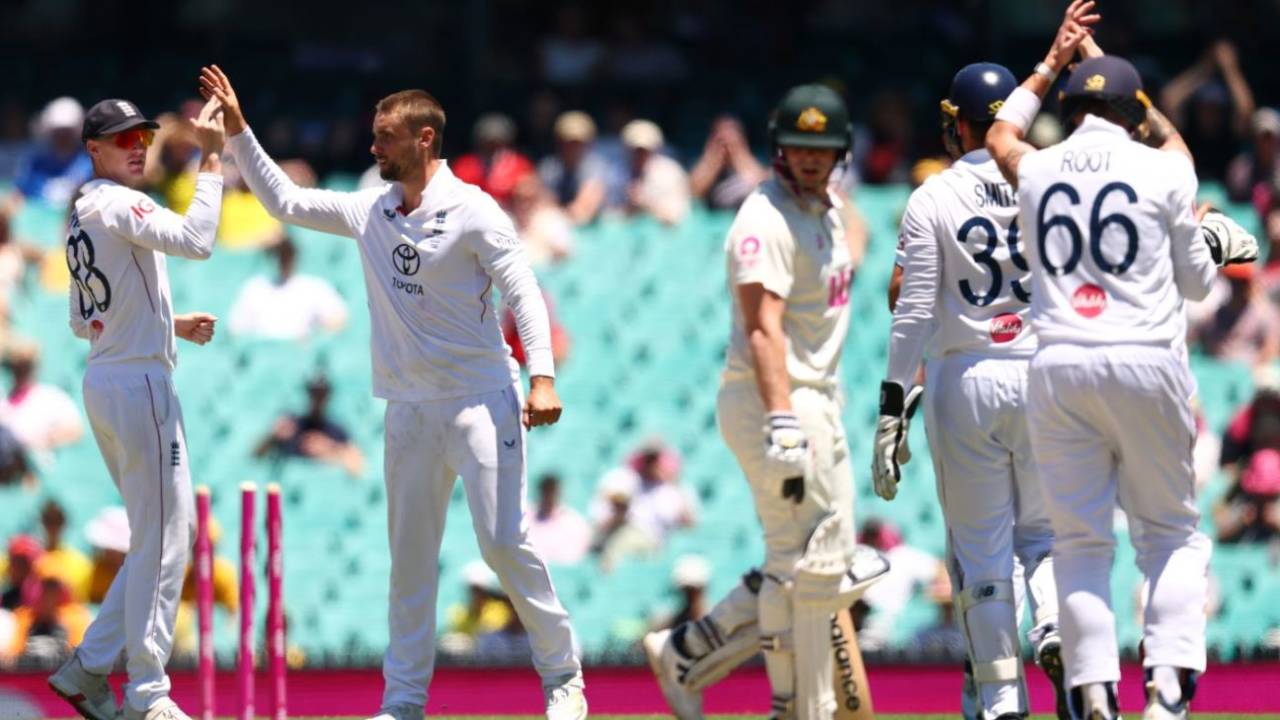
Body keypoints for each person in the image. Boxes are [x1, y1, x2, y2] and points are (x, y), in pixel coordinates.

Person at [200, 64, 587, 720]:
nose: (373, 147)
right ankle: (403, 703)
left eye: (386, 137)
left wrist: (542, 376)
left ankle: (563, 677)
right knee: (410, 564)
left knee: (502, 542)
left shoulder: (472, 211)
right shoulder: (369, 208)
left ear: (425, 139)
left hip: (479, 398)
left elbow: (522, 288)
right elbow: (286, 202)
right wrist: (239, 132)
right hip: (406, 409)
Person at [985, 4, 1259, 716]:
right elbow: (1198, 280)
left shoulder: (1039, 170)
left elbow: (1000, 132)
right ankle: (1166, 692)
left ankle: (1094, 690)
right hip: (1144, 360)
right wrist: (1106, 67)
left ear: (1073, 109)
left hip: (1059, 367)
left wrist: (1054, 60)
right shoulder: (1164, 171)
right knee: (1169, 535)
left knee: (1079, 543)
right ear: (1135, 111)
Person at [644, 83, 889, 720]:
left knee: (820, 561)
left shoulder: (828, 209)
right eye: (799, 148)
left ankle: (688, 656)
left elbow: (855, 247)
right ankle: (802, 706)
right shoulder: (764, 219)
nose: (811, 160)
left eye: (824, 150)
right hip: (774, 400)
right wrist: (782, 420)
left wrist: (834, 194)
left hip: (820, 397)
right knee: (809, 569)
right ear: (780, 148)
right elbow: (762, 327)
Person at [872, 61, 1067, 720]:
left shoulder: (933, 195)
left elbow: (912, 309)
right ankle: (1060, 637)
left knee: (982, 553)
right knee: (1044, 537)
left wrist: (892, 404)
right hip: (1045, 370)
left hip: (966, 376)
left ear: (957, 124)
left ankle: (1002, 700)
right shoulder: (1049, 177)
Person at [47, 95, 225, 720]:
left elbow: (82, 320)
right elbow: (198, 239)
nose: (138, 146)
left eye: (143, 136)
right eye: (123, 140)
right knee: (167, 536)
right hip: (140, 385)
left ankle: (89, 668)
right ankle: (147, 693)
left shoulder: (79, 216)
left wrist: (166, 323)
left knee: (162, 534)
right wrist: (211, 159)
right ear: (93, 150)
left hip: (108, 379)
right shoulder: (118, 201)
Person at [227, 237, 349, 340]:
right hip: (264, 352)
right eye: (277, 254)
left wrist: (313, 339)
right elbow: (236, 328)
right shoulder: (254, 287)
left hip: (301, 354)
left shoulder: (313, 286)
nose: (282, 260)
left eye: (286, 255)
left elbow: (338, 319)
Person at [253, 374, 365, 477]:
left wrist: (328, 450)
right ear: (307, 394)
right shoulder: (292, 426)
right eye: (314, 393)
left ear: (328, 396)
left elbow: (358, 470)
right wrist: (273, 436)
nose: (317, 400)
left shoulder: (338, 431)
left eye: (322, 394)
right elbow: (255, 457)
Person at [0, 340, 83, 456]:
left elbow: (75, 430)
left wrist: (38, 441)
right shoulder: (4, 401)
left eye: (25, 367)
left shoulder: (50, 397)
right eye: (16, 368)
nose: (20, 372)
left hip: (34, 464)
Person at [15, 97, 93, 207]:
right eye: (58, 131)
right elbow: (19, 196)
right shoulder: (36, 165)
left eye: (67, 131)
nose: (62, 136)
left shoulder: (90, 165)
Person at [538, 111, 609, 225]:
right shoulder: (549, 167)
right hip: (557, 226)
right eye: (567, 142)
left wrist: (557, 215)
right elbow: (542, 205)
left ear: (588, 143)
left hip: (592, 228)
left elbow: (584, 211)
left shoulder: (596, 166)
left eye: (577, 142)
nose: (572, 148)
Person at [452, 113, 535, 209]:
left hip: (511, 215)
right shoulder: (465, 165)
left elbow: (528, 197)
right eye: (488, 144)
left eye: (498, 143)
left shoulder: (520, 165)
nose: (492, 149)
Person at [689, 116, 768, 211]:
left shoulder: (753, 162)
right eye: (720, 140)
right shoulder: (703, 164)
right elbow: (693, 193)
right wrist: (711, 160)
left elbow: (762, 187)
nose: (726, 146)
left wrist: (739, 155)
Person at [621, 119, 691, 225]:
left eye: (644, 150)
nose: (639, 155)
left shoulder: (671, 173)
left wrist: (645, 203)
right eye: (635, 150)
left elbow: (677, 218)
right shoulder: (618, 172)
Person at [524, 474, 592, 566]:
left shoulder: (574, 523)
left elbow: (577, 557)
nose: (550, 497)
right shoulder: (525, 515)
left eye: (553, 492)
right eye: (547, 492)